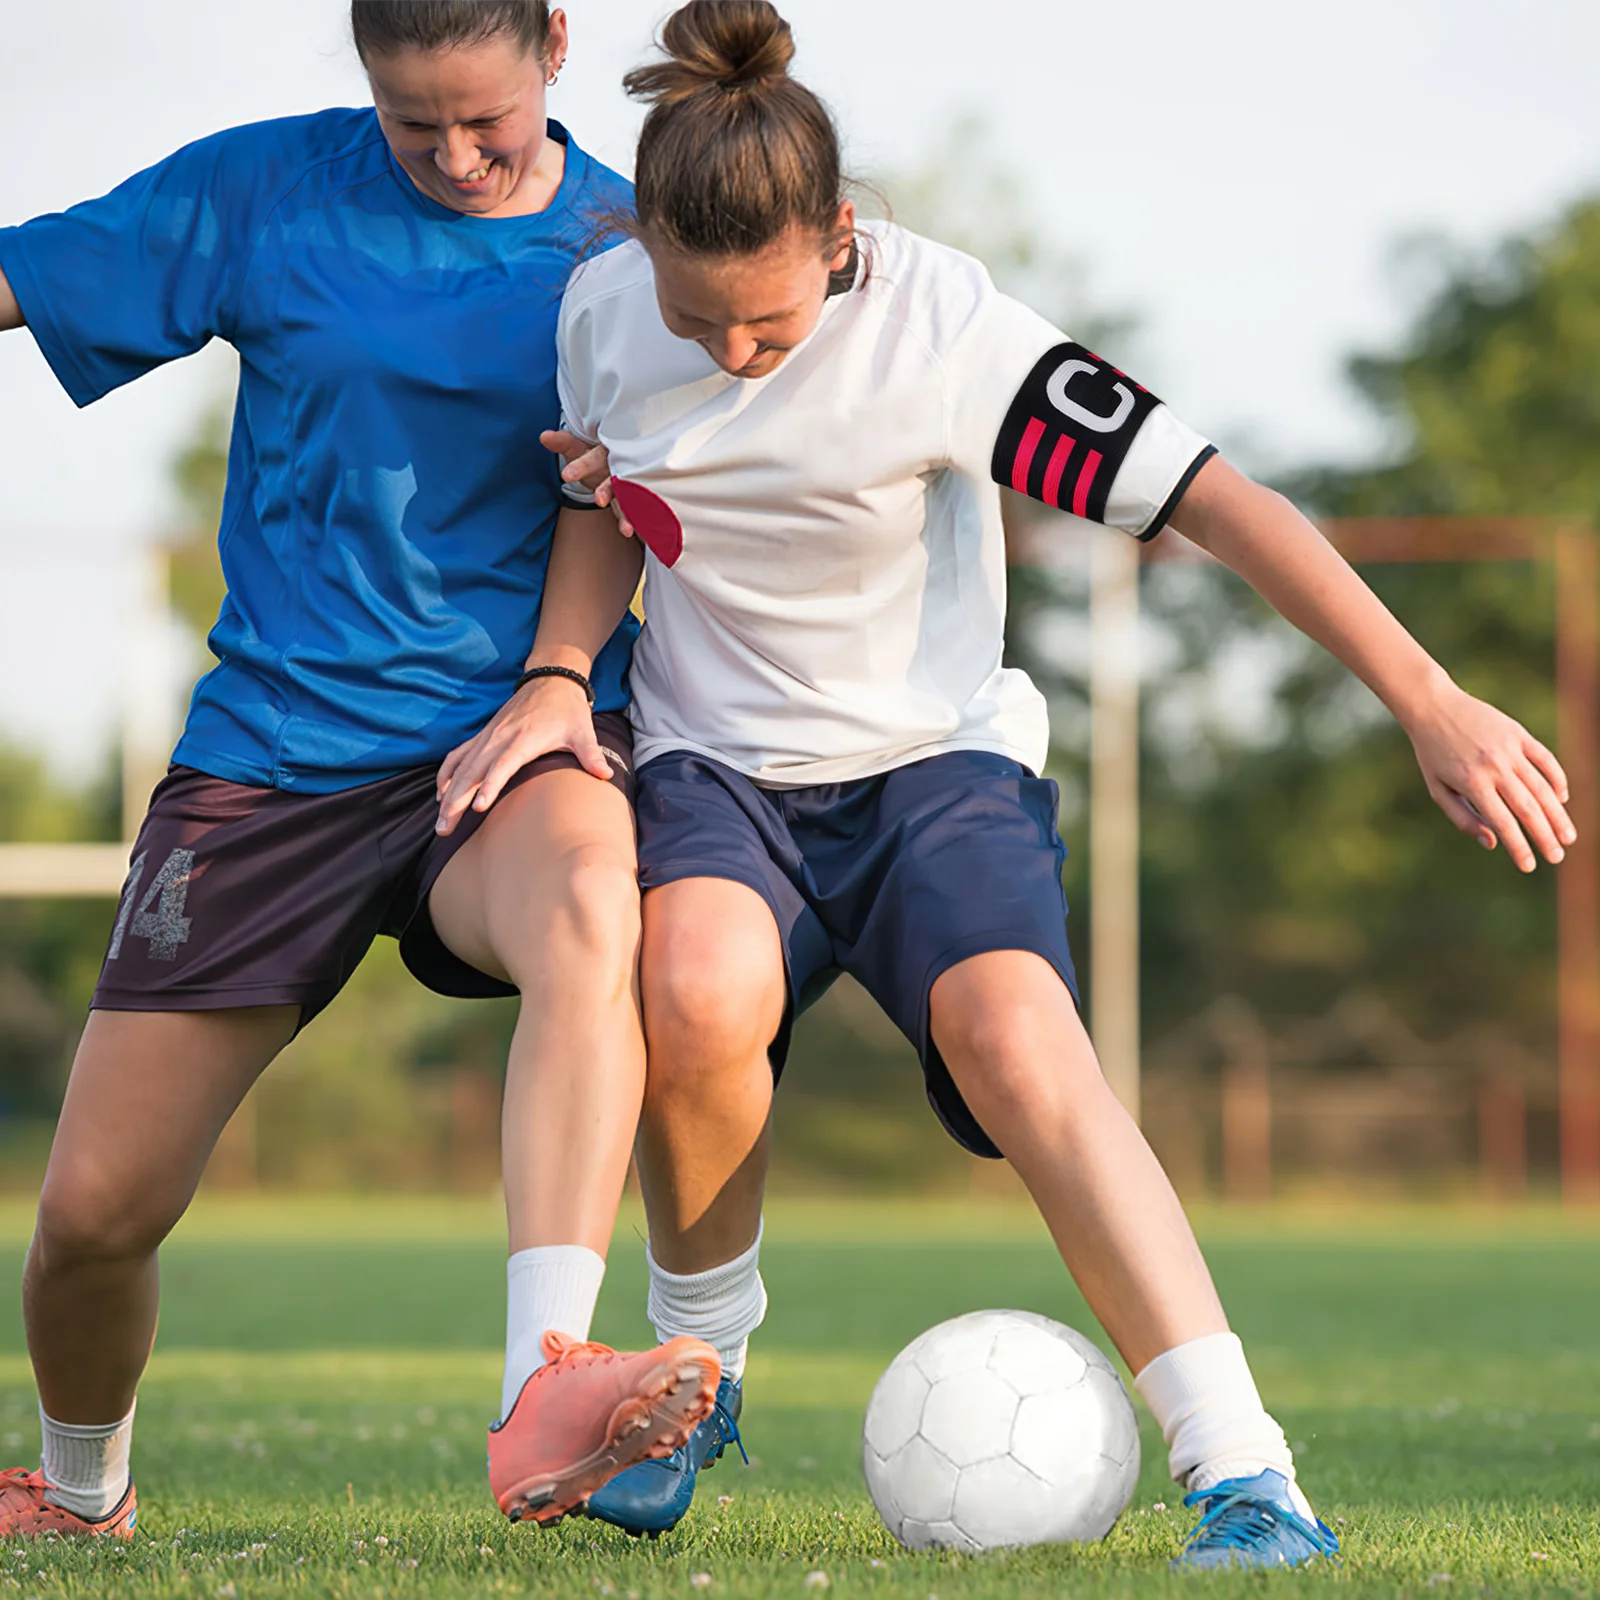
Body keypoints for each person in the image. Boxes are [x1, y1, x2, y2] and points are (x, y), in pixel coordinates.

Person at [439, 0, 1578, 1570]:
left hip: (931, 766)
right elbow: (609, 498)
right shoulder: (604, 309)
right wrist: (558, 680)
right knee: (693, 991)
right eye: (701, 327)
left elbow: (1219, 502)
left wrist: (1428, 697)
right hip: (717, 765)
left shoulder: (954, 336)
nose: (734, 356)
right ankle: (699, 1377)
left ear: (840, 236)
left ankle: (1245, 1469)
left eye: (765, 326)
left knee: (1018, 1040)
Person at [0, 0, 722, 1543]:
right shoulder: (268, 194)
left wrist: (557, 680)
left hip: (510, 744)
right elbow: (27, 274)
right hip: (272, 761)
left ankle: (551, 1379)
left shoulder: (625, 251)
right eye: (415, 126)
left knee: (598, 900)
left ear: (556, 49)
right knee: (89, 1223)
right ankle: (79, 1493)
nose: (456, 156)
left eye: (490, 122)